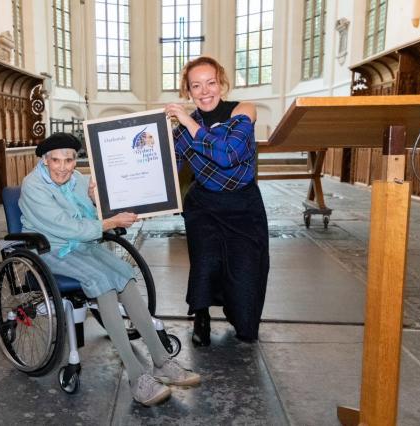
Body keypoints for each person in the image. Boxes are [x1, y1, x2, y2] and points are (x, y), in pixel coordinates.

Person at [18, 132, 200, 406]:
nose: (63, 167)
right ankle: (137, 376)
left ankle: (161, 361)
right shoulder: (33, 186)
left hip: (81, 244)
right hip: (48, 248)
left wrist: (95, 201)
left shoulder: (78, 180)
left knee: (124, 275)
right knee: (101, 280)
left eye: (69, 160)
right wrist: (106, 222)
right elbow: (64, 227)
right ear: (45, 161)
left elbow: (91, 217)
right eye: (56, 160)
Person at [165, 56, 269, 346]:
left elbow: (228, 155)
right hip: (204, 207)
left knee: (246, 279)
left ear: (221, 84)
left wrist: (185, 120)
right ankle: (201, 315)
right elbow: (161, 169)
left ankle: (241, 316)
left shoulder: (243, 111)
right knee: (205, 263)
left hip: (243, 207)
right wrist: (111, 184)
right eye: (196, 86)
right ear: (188, 91)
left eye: (210, 82)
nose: (204, 91)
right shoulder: (183, 131)